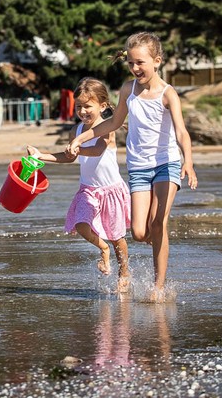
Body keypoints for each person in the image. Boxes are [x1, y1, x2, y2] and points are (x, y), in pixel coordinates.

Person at [66, 32, 198, 301]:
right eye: (131, 63)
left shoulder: (168, 94)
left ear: (157, 61)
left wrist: (189, 162)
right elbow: (113, 123)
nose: (136, 68)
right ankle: (154, 243)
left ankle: (158, 286)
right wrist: (81, 137)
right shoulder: (128, 89)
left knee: (159, 222)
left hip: (167, 163)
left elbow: (182, 132)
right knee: (139, 232)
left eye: (141, 63)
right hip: (138, 167)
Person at [26, 77, 132, 293]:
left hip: (110, 190)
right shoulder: (75, 131)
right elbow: (68, 157)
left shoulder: (107, 127)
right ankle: (103, 249)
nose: (83, 111)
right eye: (79, 106)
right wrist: (41, 155)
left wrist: (77, 148)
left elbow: (97, 150)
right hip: (88, 190)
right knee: (81, 224)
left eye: (88, 106)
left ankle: (124, 272)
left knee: (116, 237)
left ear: (102, 106)